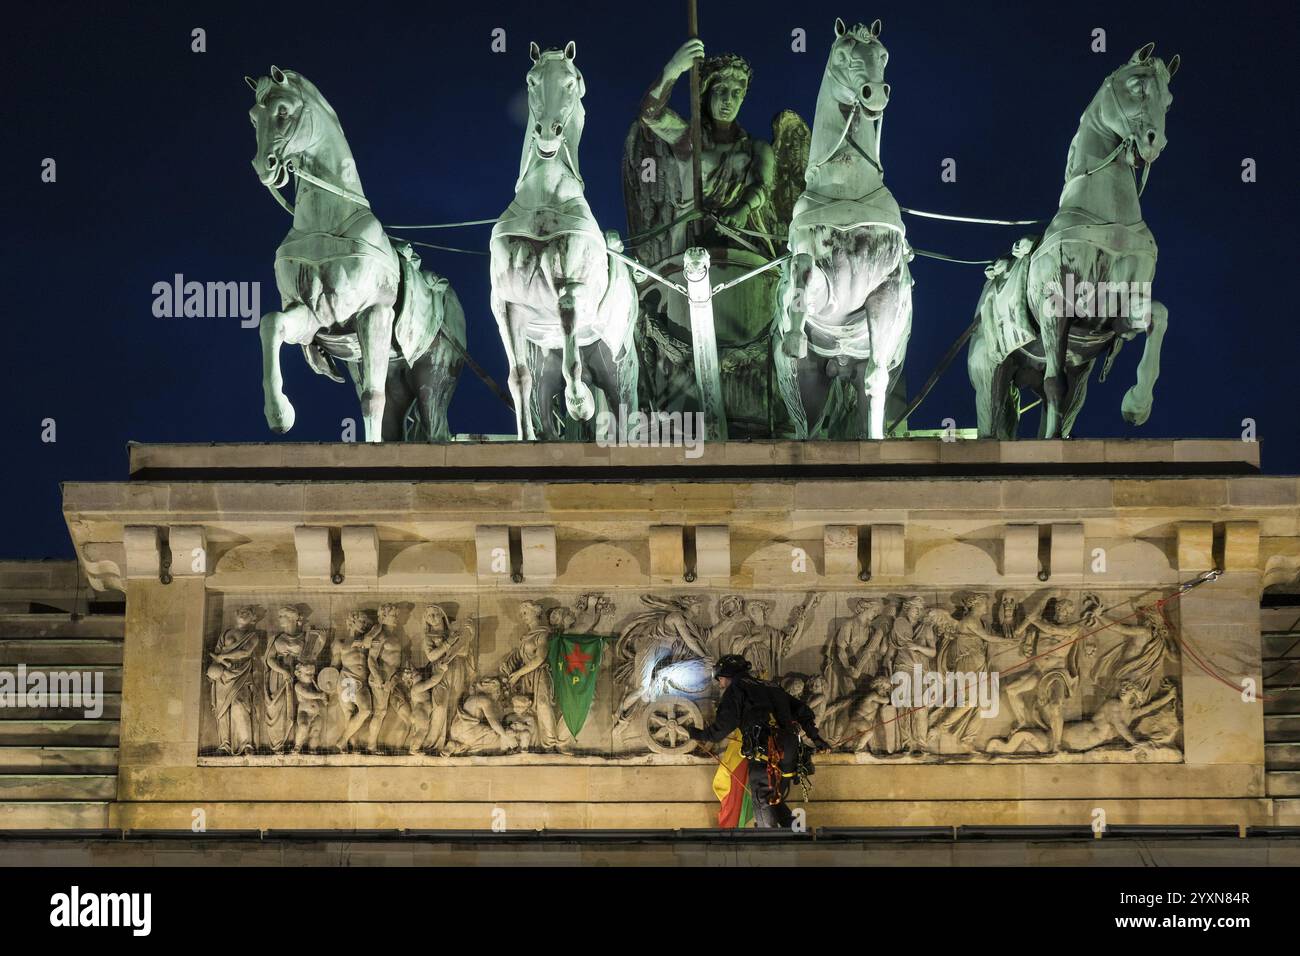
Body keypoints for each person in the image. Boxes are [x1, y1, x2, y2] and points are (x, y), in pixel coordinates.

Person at [686, 655, 830, 828]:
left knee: (761, 796)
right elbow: (803, 710)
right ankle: (796, 833)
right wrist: (816, 738)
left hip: (765, 749)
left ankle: (765, 843)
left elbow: (722, 728)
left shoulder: (737, 688)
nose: (720, 683)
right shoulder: (771, 685)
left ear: (727, 674)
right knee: (773, 798)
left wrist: (697, 734)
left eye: (720, 678)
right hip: (789, 751)